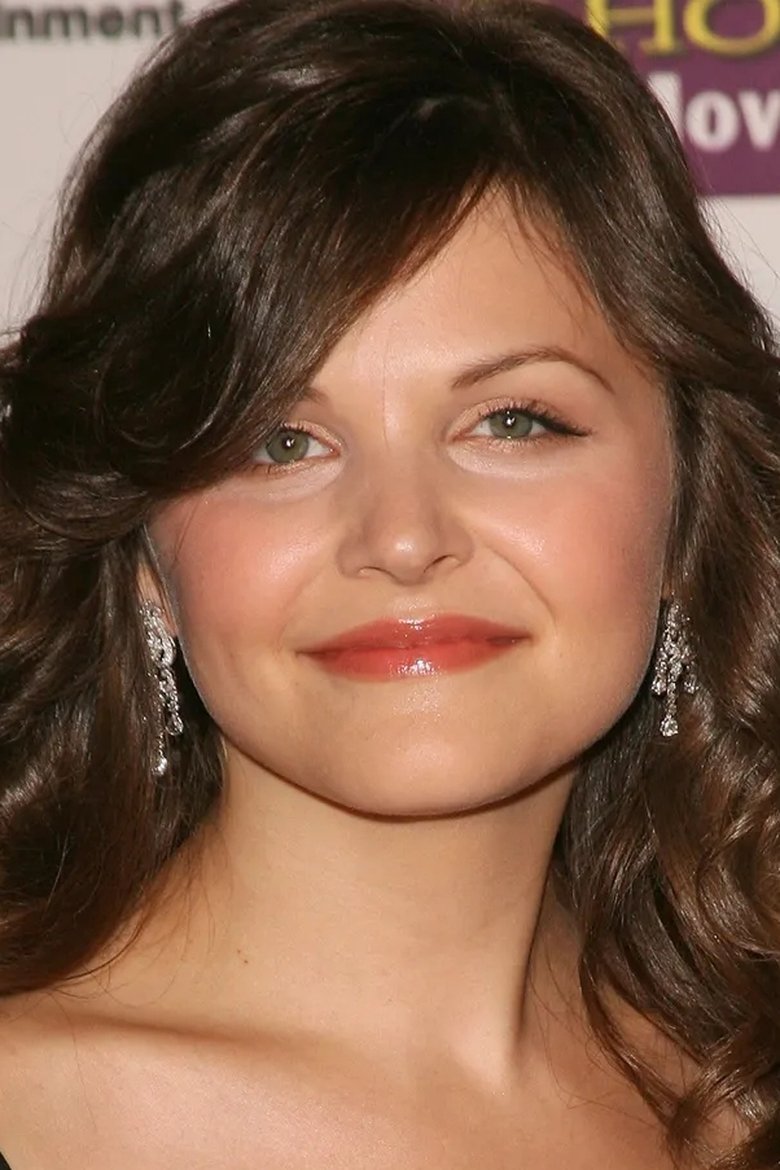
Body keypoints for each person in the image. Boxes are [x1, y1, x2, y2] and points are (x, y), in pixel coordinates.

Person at [0, 0, 777, 1165]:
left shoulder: (744, 1101)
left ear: (687, 509)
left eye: (512, 421)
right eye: (281, 443)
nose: (402, 538)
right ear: (145, 554)